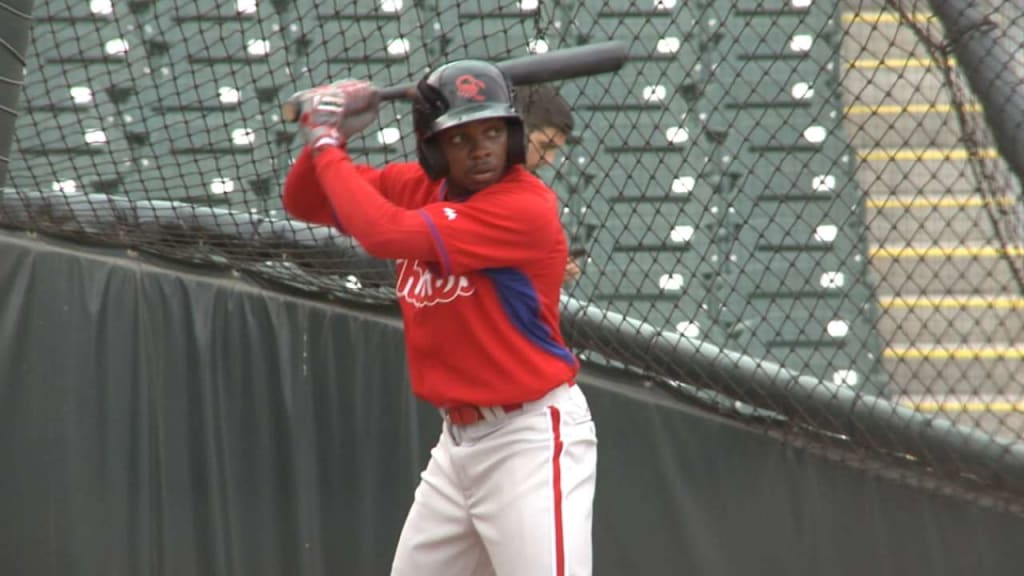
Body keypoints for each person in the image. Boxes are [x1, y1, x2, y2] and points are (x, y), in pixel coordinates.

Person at [281, 61, 598, 576]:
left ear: (512, 136)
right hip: (457, 448)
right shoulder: (420, 187)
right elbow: (304, 198)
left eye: (493, 130)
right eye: (460, 137)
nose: (479, 149)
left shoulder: (523, 206)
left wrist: (325, 142)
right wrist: (328, 134)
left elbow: (383, 234)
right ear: (433, 147)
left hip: (531, 440)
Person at [514, 84, 584, 287]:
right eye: (545, 145)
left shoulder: (536, 192)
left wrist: (554, 271)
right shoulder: (471, 185)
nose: (550, 159)